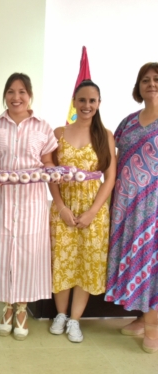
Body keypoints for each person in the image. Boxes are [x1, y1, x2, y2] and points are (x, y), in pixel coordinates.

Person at [0, 73, 57, 340]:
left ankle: (22, 308)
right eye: (11, 92)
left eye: (22, 92)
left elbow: (47, 162)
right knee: (1, 252)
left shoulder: (42, 127)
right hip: (0, 198)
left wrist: (50, 172)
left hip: (32, 200)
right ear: (5, 95)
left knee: (27, 252)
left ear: (30, 95)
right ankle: (6, 306)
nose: (16, 97)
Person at [48, 80, 116, 343]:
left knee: (87, 265)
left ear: (98, 104)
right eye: (82, 100)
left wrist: (92, 212)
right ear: (74, 102)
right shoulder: (58, 133)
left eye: (92, 101)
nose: (87, 105)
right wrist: (61, 207)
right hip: (63, 208)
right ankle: (61, 315)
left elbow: (109, 178)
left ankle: (75, 320)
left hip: (93, 210)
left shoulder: (105, 135)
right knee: (62, 263)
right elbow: (51, 175)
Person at [105, 62, 158, 353]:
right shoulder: (127, 122)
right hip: (126, 207)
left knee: (153, 265)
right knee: (137, 262)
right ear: (138, 87)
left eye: (156, 79)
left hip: (155, 209)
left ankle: (153, 326)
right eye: (145, 80)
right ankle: (143, 316)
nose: (151, 83)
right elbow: (106, 155)